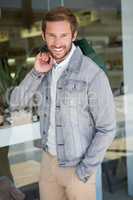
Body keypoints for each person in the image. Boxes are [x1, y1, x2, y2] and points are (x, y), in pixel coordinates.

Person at [10, 7, 116, 200]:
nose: (57, 43)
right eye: (52, 36)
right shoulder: (44, 66)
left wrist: (84, 171)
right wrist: (36, 73)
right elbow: (16, 103)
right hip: (48, 165)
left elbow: (107, 128)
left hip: (78, 168)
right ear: (43, 35)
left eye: (63, 35)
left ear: (74, 35)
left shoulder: (92, 74)